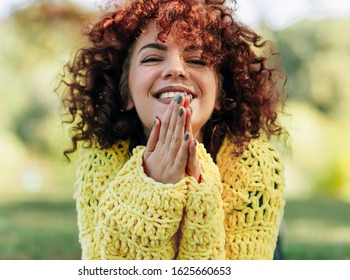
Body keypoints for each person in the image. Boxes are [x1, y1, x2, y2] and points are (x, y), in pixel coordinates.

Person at [59, 0, 287, 260]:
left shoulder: (256, 164)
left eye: (198, 60)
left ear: (221, 94)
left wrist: (201, 197)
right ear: (126, 93)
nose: (176, 69)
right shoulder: (100, 162)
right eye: (153, 57)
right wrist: (153, 192)